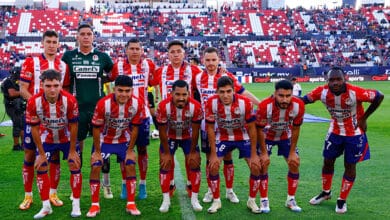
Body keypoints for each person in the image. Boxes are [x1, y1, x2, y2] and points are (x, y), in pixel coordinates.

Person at [302, 67, 384, 214]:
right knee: (327, 161)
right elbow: (304, 100)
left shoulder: (355, 92)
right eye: (331, 80)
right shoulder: (322, 92)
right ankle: (326, 192)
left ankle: (342, 199)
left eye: (338, 79)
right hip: (334, 132)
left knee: (350, 165)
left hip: (354, 134)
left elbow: (379, 96)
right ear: (327, 81)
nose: (335, 83)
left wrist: (364, 118)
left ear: (344, 78)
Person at [194, 47, 260, 204]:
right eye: (208, 60)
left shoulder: (226, 76)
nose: (210, 63)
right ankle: (211, 190)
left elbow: (243, 92)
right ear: (203, 60)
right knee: (211, 159)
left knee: (228, 157)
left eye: (213, 60)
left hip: (228, 124)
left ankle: (229, 191)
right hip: (207, 124)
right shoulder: (196, 77)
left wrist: (262, 105)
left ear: (218, 60)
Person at [62, 23, 114, 198]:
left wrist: (101, 79)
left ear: (93, 36)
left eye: (89, 34)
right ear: (77, 36)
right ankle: (77, 184)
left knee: (102, 147)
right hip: (77, 109)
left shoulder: (102, 57)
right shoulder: (68, 56)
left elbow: (112, 74)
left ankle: (106, 185)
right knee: (78, 147)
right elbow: (65, 81)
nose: (85, 37)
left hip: (99, 108)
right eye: (82, 34)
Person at [19, 30, 67, 210]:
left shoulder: (63, 65)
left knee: (54, 155)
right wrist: (39, 108)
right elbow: (23, 89)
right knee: (30, 155)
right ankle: (28, 196)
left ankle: (52, 193)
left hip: (56, 119)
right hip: (35, 117)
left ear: (58, 44)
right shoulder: (31, 62)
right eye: (49, 41)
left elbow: (64, 90)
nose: (52, 45)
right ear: (43, 43)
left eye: (55, 42)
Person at [25, 69, 82, 218]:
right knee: (41, 166)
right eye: (48, 85)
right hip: (47, 137)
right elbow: (35, 129)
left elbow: (74, 125)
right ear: (42, 85)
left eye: (56, 85)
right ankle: (46, 207)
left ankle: (76, 205)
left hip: (66, 137)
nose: (52, 89)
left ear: (61, 85)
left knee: (74, 164)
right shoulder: (33, 101)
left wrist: (72, 151)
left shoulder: (70, 100)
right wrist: (41, 154)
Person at [86, 75, 144, 217]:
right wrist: (97, 152)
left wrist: (130, 150)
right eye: (120, 90)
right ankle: (94, 205)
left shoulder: (137, 104)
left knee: (130, 164)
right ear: (114, 89)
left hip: (124, 140)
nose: (124, 94)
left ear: (132, 90)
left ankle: (131, 203)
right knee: (96, 165)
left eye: (127, 91)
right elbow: (96, 128)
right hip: (104, 141)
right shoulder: (103, 104)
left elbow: (135, 128)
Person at [153, 40, 202, 196]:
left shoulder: (194, 71)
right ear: (168, 54)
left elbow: (208, 79)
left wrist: (222, 72)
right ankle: (171, 184)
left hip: (187, 120)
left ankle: (190, 185)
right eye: (172, 52)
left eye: (178, 51)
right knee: (167, 155)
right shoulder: (160, 71)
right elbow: (144, 85)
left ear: (184, 53)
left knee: (191, 155)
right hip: (167, 121)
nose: (175, 54)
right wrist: (152, 104)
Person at [205, 76, 261, 214]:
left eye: (229, 91)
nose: (225, 95)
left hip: (243, 137)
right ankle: (216, 200)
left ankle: (251, 201)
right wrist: (212, 154)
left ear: (234, 90)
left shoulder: (246, 103)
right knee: (213, 166)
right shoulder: (211, 103)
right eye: (222, 92)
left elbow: (253, 128)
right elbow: (210, 129)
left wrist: (254, 154)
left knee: (255, 166)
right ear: (216, 91)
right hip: (223, 136)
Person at [109, 38, 156, 200]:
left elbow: (154, 84)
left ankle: (142, 185)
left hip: (142, 116)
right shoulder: (118, 67)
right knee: (124, 151)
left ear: (142, 51)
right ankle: (125, 184)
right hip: (122, 117)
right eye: (132, 48)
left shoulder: (148, 65)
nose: (135, 51)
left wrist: (152, 104)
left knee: (142, 150)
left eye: (138, 48)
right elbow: (110, 85)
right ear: (126, 50)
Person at [256, 80, 305, 213]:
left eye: (288, 96)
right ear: (275, 94)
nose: (284, 99)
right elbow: (259, 130)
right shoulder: (264, 106)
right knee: (262, 165)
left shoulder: (298, 105)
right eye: (281, 95)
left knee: (295, 163)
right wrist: (264, 152)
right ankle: (264, 200)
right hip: (267, 136)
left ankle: (291, 199)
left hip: (286, 136)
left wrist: (293, 151)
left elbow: (296, 129)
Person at [156, 80, 203, 213]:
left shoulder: (196, 106)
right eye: (178, 94)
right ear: (172, 94)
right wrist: (166, 152)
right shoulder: (163, 106)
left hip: (187, 136)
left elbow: (195, 131)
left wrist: (193, 151)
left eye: (184, 94)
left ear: (188, 93)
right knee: (165, 163)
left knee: (194, 162)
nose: (181, 98)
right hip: (170, 136)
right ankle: (166, 199)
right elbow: (162, 130)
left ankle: (194, 198)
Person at [1, 66, 24, 151]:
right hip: (11, 106)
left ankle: (23, 145)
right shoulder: (8, 81)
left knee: (22, 124)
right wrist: (23, 92)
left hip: (20, 104)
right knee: (17, 123)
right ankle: (16, 145)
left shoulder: (18, 81)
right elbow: (12, 94)